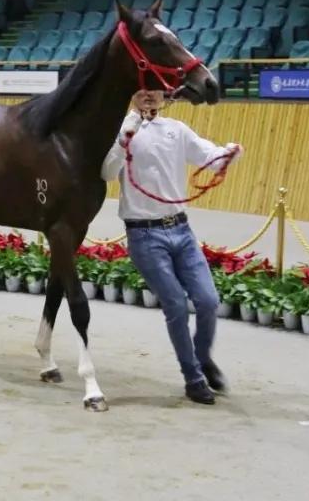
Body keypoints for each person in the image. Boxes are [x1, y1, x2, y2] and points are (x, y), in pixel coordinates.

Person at [101, 90, 243, 405]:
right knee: (176, 305)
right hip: (144, 236)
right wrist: (124, 139)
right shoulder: (121, 131)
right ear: (134, 96)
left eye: (155, 91)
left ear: (163, 96)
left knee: (208, 300)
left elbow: (208, 154)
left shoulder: (176, 130)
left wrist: (228, 153)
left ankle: (203, 357)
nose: (149, 97)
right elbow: (107, 172)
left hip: (181, 229)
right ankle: (192, 378)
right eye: (142, 92)